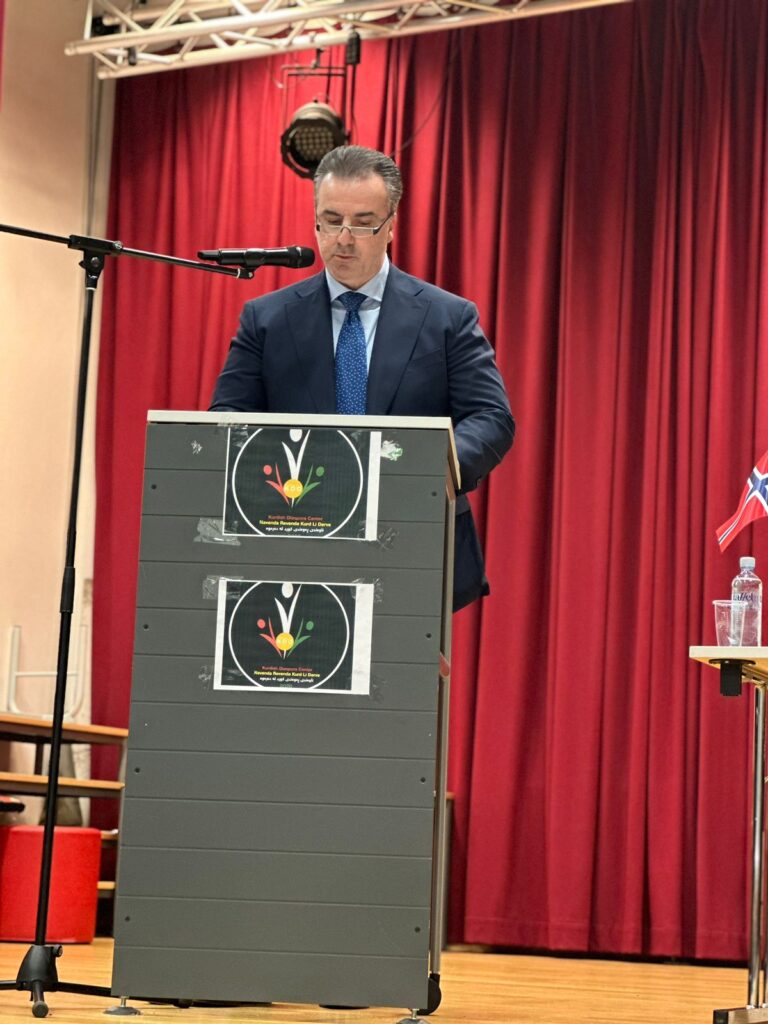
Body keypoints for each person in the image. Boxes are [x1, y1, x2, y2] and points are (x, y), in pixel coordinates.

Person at [210, 145, 514, 610]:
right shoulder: (267, 320)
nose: (344, 239)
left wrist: (434, 466)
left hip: (412, 544)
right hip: (293, 542)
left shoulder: (446, 318)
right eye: (331, 221)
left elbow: (492, 418)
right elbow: (228, 420)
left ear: (391, 225)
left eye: (363, 222)